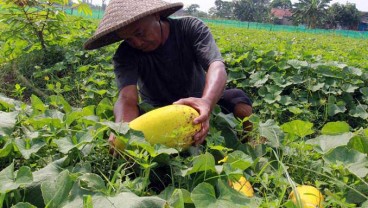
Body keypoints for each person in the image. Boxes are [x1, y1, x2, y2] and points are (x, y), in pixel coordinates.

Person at [84, 0, 253, 148]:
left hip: (198, 102)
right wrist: (122, 129)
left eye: (139, 33)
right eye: (128, 39)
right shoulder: (125, 54)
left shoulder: (190, 28)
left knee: (238, 101)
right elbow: (127, 98)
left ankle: (246, 143)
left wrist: (207, 102)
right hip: (158, 111)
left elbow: (216, 66)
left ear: (156, 15)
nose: (135, 42)